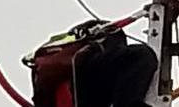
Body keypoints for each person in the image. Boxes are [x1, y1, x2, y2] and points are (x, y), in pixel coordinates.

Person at [25, 18, 157, 107]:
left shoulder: (50, 70)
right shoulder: (89, 59)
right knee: (141, 55)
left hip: (76, 93)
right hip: (83, 85)